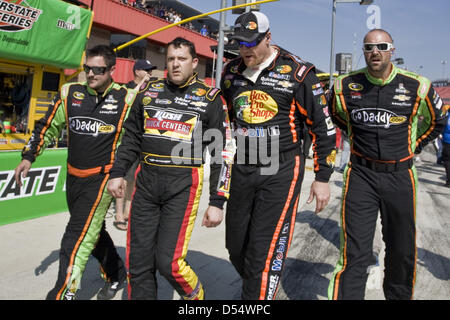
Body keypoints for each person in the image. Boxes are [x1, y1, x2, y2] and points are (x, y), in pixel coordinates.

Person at [220, 11, 336, 300]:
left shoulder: (299, 73)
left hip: (282, 167)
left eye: (251, 43)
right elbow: (226, 118)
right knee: (236, 246)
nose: (244, 49)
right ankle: (256, 285)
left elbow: (324, 129)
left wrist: (322, 177)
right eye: (240, 43)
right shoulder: (231, 71)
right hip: (244, 165)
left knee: (263, 248)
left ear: (268, 38)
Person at [107, 37, 233, 300]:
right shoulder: (148, 91)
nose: (176, 64)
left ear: (194, 63)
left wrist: (217, 201)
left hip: (183, 186)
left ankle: (196, 299)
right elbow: (131, 137)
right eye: (171, 59)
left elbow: (221, 153)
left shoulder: (210, 98)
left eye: (182, 59)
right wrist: (118, 172)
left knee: (169, 263)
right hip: (146, 185)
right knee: (138, 262)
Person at [328, 29, 447, 300]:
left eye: (381, 46)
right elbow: (336, 116)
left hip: (400, 176)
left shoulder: (418, 85)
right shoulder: (344, 85)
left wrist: (414, 146)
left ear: (392, 49)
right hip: (361, 176)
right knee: (353, 253)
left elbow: (438, 121)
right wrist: (356, 136)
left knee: (401, 251)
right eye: (369, 47)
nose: (375, 52)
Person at [14, 45, 137, 300]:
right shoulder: (70, 92)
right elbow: (46, 127)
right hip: (74, 178)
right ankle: (116, 274)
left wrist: (123, 175)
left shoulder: (126, 99)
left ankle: (62, 294)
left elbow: (135, 141)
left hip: (102, 179)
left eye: (98, 70)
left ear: (112, 70)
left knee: (75, 240)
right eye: (87, 68)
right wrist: (28, 157)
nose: (91, 74)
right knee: (91, 233)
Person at [113, 59, 158, 231]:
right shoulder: (126, 88)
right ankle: (118, 214)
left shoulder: (150, 88)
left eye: (151, 70)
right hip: (126, 140)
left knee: (132, 179)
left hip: (143, 138)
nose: (150, 73)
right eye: (147, 70)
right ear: (137, 71)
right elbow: (129, 100)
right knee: (123, 179)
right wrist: (142, 86)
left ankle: (127, 211)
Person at [442, 105, 450, 187]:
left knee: (447, 161)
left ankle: (449, 181)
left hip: (447, 140)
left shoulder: (446, 115)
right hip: (447, 140)